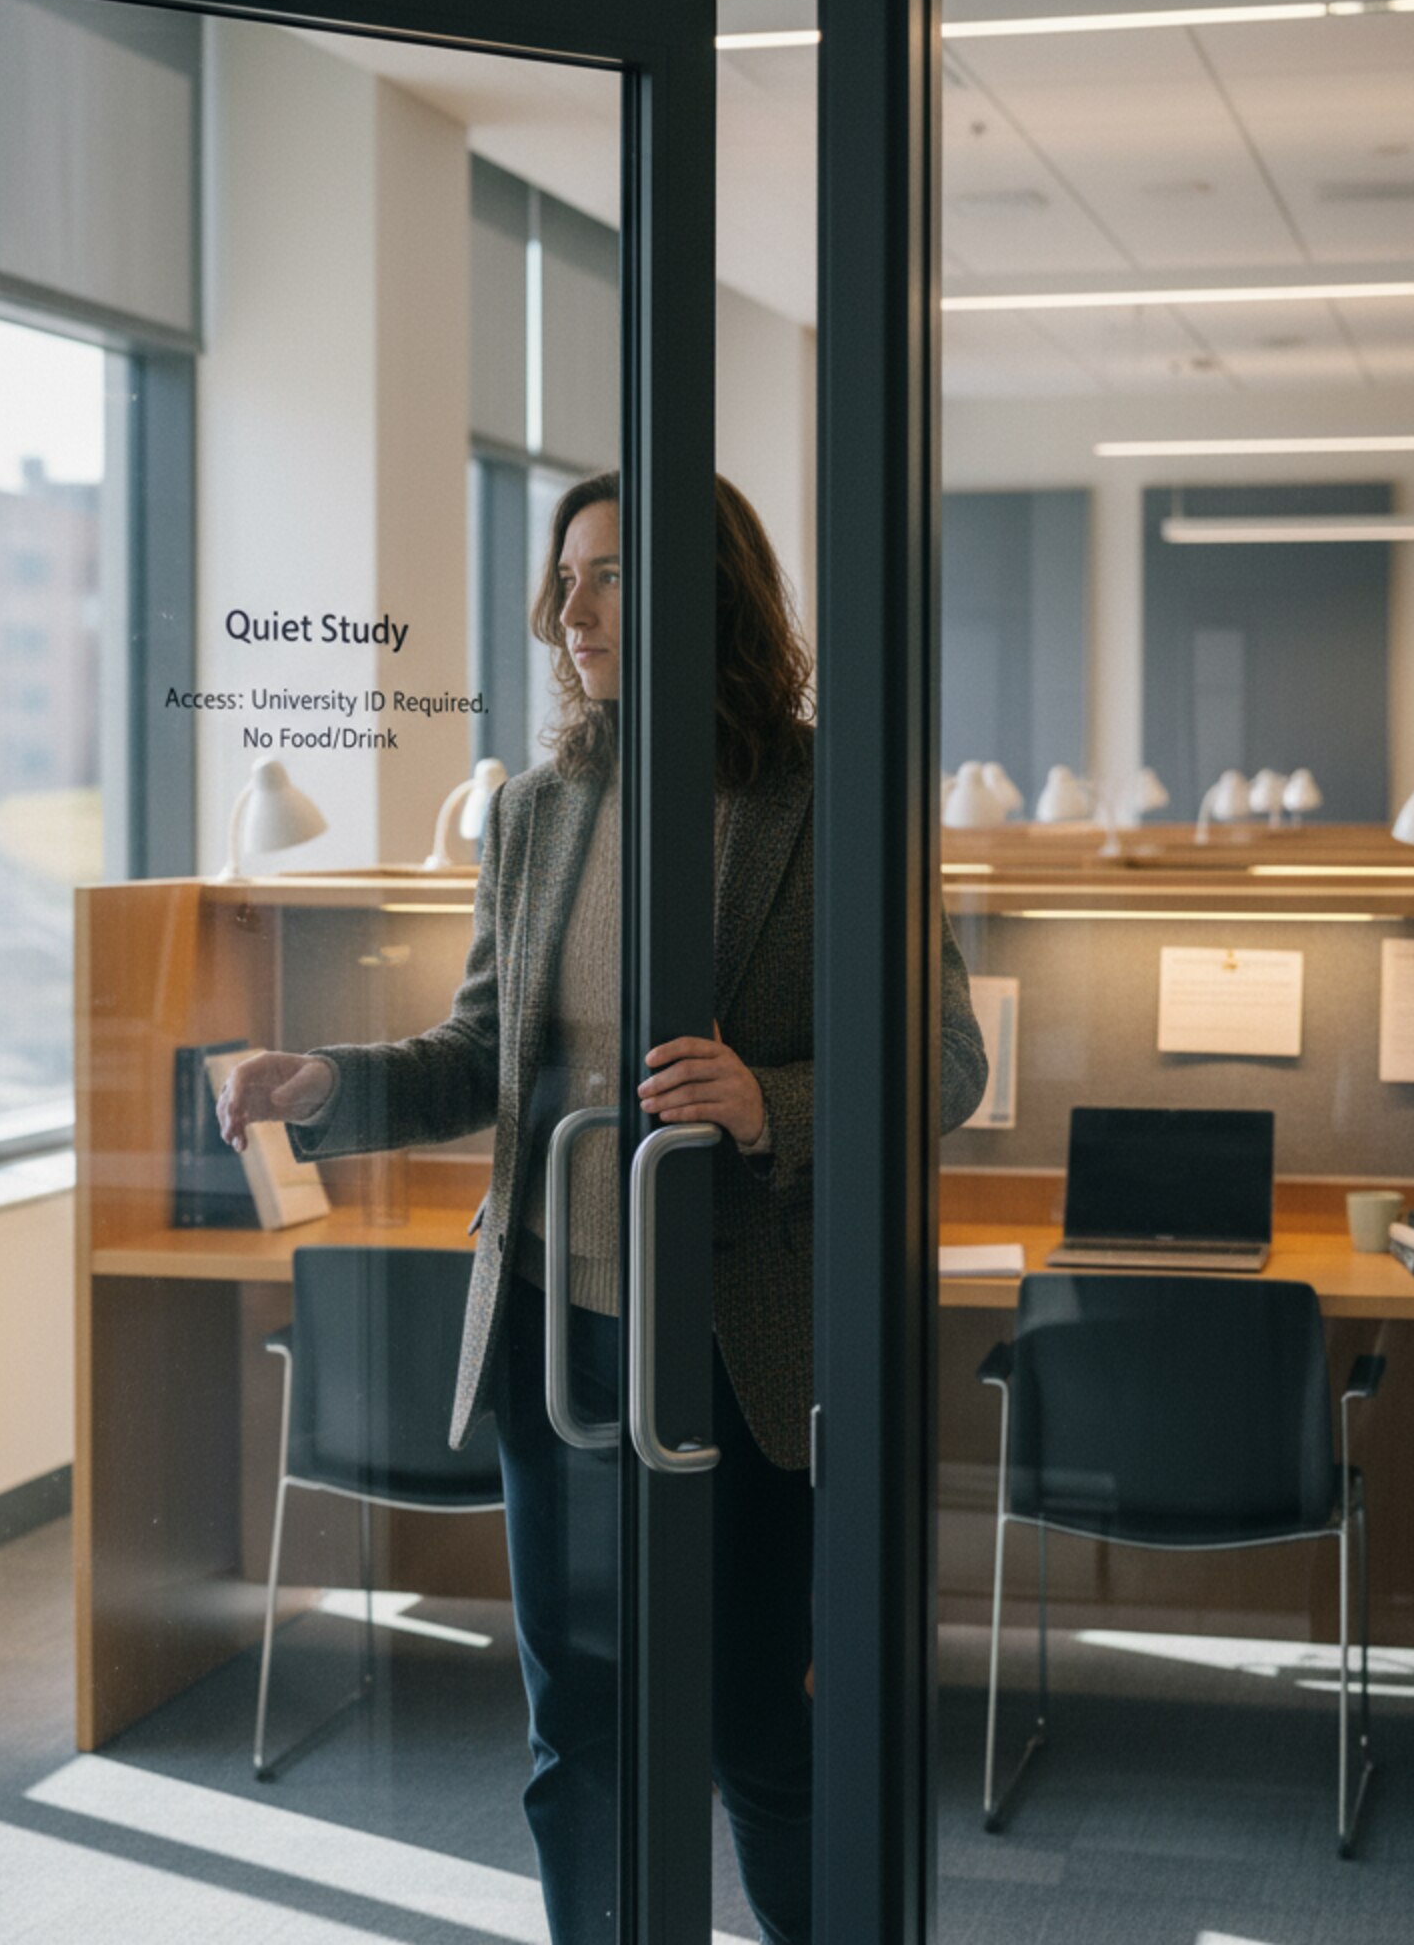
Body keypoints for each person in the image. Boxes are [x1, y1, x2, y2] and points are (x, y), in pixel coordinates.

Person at [218, 473, 987, 1945]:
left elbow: (946, 1065)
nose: (568, 612)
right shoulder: (536, 811)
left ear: (710, 594)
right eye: (564, 580)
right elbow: (475, 1057)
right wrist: (324, 1082)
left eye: (608, 576)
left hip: (739, 1349)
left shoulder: (838, 796)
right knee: (581, 1738)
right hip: (558, 1348)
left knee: (763, 1732)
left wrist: (773, 1102)